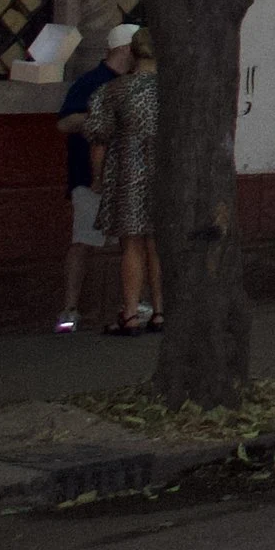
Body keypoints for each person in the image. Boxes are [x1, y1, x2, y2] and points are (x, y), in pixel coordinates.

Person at [56, 27, 130, 329]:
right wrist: (98, 117)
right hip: (89, 177)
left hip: (127, 175)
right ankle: (70, 308)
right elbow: (65, 122)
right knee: (83, 240)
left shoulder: (135, 84)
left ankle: (131, 304)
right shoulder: (90, 83)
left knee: (132, 241)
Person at [91, 27, 161, 332]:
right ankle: (160, 312)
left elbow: (99, 139)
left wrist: (98, 179)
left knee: (131, 244)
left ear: (131, 52)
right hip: (164, 173)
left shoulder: (113, 91)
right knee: (158, 243)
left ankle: (131, 313)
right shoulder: (174, 91)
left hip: (126, 172)